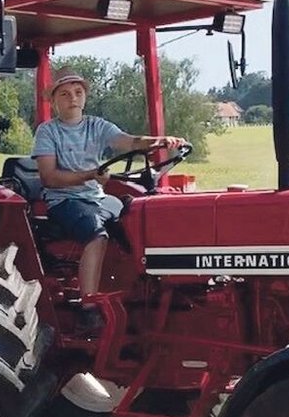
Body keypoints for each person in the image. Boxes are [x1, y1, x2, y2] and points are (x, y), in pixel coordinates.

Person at [32, 67, 188, 331]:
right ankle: (88, 307)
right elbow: (49, 177)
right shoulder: (48, 132)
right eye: (66, 93)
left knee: (136, 218)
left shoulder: (96, 125)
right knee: (97, 234)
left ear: (85, 98)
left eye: (78, 92)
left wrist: (159, 141)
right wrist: (90, 175)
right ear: (54, 100)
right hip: (64, 200)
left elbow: (128, 142)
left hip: (96, 197)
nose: (73, 98)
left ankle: (146, 292)